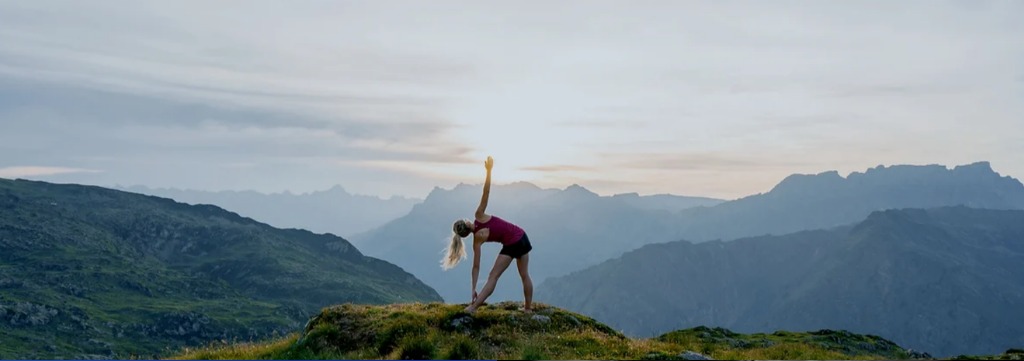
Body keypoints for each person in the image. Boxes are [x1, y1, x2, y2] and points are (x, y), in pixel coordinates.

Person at [441, 156, 534, 314]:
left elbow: (476, 267)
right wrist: (489, 171)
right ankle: (528, 309)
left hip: (513, 243)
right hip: (522, 236)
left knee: (493, 276)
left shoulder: (477, 240)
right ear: (466, 222)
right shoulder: (479, 216)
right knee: (524, 275)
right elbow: (486, 192)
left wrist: (473, 288)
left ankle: (473, 307)